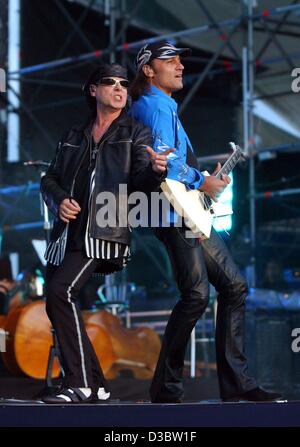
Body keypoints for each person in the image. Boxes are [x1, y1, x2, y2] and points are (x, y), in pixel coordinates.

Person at [130, 41, 281, 403]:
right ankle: (169, 387)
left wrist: (203, 184)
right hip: (172, 213)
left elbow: (171, 162)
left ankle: (235, 385)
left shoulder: (163, 106)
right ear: (148, 70)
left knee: (231, 287)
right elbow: (164, 163)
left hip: (184, 211)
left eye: (181, 59)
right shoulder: (154, 106)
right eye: (170, 60)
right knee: (198, 295)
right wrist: (202, 181)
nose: (180, 65)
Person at [40, 63, 168, 404]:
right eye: (109, 82)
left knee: (59, 290)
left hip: (103, 229)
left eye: (124, 83)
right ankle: (95, 384)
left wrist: (155, 171)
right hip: (66, 232)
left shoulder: (135, 132)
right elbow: (48, 179)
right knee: (56, 301)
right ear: (93, 90)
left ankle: (79, 382)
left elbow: (140, 182)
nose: (118, 88)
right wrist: (59, 201)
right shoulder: (72, 136)